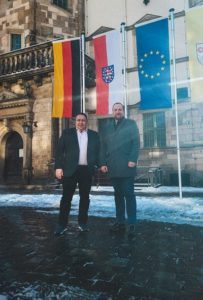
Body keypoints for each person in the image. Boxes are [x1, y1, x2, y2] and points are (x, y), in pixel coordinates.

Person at [54, 113, 99, 235]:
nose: (81, 122)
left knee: (85, 198)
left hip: (86, 171)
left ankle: (82, 223)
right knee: (66, 199)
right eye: (78, 120)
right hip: (70, 171)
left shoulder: (94, 135)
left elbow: (98, 152)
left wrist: (100, 165)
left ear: (86, 122)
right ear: (75, 122)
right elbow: (59, 151)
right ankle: (62, 225)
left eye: (83, 120)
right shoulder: (67, 133)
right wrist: (58, 167)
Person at [100, 102, 140, 235]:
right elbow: (103, 146)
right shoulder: (107, 126)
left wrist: (133, 159)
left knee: (129, 195)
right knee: (118, 196)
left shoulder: (131, 124)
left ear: (123, 111)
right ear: (113, 112)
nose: (117, 111)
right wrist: (103, 163)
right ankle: (120, 222)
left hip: (127, 166)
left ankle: (132, 223)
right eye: (115, 109)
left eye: (120, 109)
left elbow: (136, 142)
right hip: (113, 167)